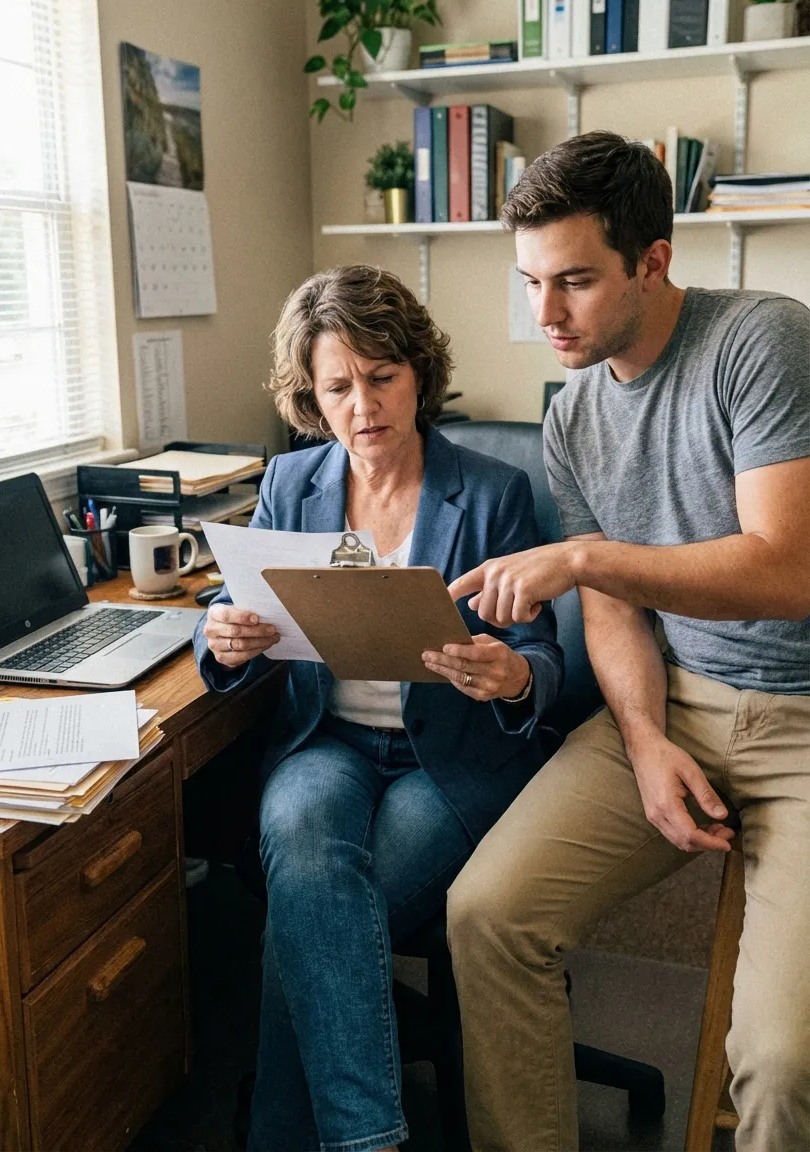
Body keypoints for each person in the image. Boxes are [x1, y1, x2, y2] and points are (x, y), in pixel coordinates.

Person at [446, 131, 810, 1152]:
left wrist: (591, 558)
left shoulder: (762, 342)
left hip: (800, 718)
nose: (545, 316)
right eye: (529, 282)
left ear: (654, 261)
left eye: (574, 281)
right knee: (488, 915)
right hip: (673, 701)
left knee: (781, 1063)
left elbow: (785, 569)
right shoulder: (574, 418)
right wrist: (647, 742)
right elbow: (613, 618)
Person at [193, 264, 563, 1152]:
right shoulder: (290, 484)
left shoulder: (494, 491)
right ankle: (369, 1139)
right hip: (329, 742)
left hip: (449, 758)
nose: (363, 405)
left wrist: (509, 675)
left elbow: (545, 656)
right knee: (307, 843)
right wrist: (224, 637)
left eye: (382, 376)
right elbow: (227, 610)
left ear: (418, 375)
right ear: (311, 398)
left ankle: (301, 1140)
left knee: (306, 913)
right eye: (338, 386)